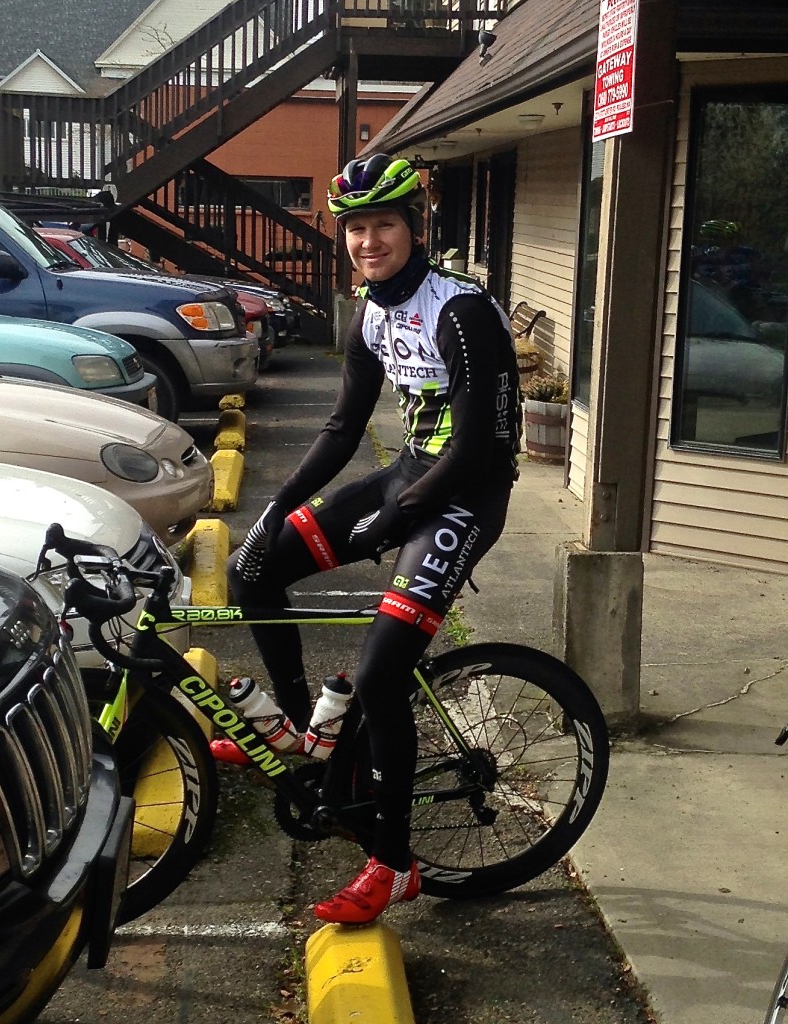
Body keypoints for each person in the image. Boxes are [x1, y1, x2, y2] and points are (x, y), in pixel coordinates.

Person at [220, 153, 521, 925]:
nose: (367, 241)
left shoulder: (461, 310)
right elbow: (342, 426)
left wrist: (397, 516)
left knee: (382, 677)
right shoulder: (372, 312)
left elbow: (477, 449)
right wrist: (277, 508)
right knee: (252, 572)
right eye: (355, 228)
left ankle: (393, 864)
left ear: (415, 227)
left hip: (467, 493)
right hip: (413, 474)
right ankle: (303, 733)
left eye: (383, 224)